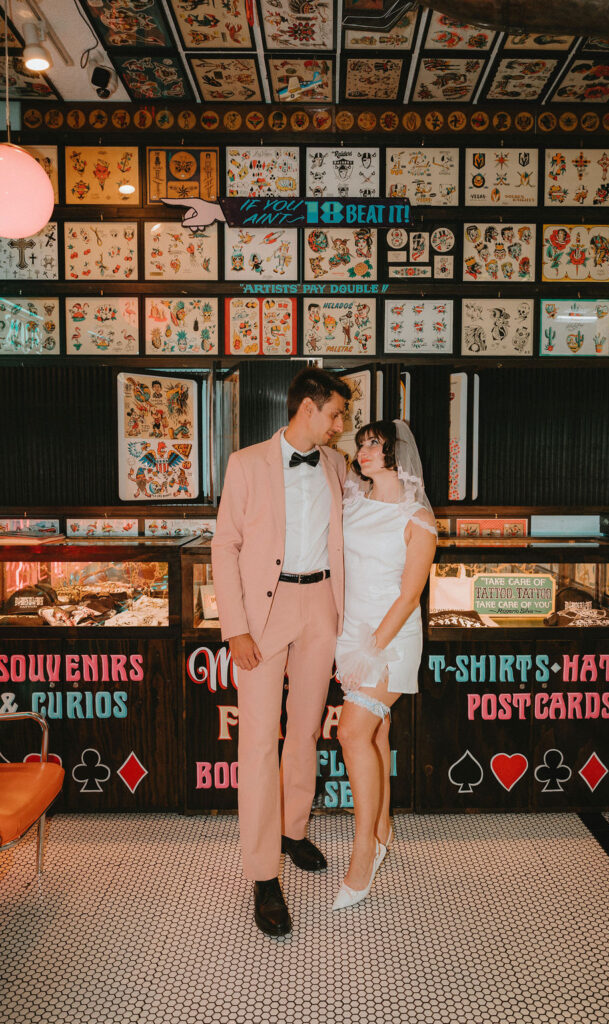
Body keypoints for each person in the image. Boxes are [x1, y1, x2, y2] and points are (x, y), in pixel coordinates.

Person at [211, 368, 350, 936]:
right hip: (264, 615)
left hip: (321, 603)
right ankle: (263, 875)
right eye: (336, 414)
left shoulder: (336, 465)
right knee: (259, 740)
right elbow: (225, 547)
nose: (341, 425)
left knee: (306, 728)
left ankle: (294, 829)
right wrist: (236, 628)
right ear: (308, 409)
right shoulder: (247, 463)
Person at [332, 419, 437, 909]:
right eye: (362, 444)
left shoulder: (417, 520)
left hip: (391, 638)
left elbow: (409, 594)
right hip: (351, 629)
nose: (365, 451)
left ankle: (364, 851)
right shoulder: (353, 503)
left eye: (375, 443)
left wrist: (370, 648)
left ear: (398, 452)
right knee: (375, 733)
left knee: (351, 733)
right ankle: (384, 826)